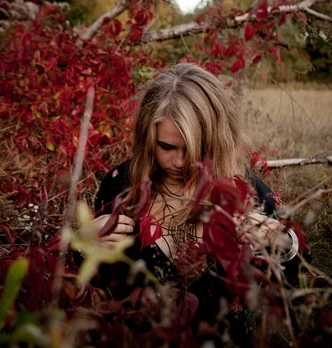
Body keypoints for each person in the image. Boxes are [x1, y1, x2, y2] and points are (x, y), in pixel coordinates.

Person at [87, 62, 309, 345]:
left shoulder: (244, 190)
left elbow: (300, 278)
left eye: (193, 150)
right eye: (166, 147)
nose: (179, 162)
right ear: (147, 137)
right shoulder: (121, 187)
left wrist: (284, 243)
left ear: (216, 142)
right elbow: (97, 290)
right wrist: (85, 244)